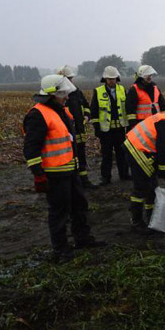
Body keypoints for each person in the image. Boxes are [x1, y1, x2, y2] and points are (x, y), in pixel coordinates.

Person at [23, 75, 104, 261]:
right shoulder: (37, 114)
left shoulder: (61, 111)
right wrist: (38, 175)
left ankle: (83, 239)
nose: (66, 97)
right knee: (59, 212)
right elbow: (31, 148)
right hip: (54, 175)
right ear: (51, 95)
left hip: (70, 170)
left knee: (79, 206)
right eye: (62, 94)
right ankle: (61, 250)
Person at [56, 65, 96, 189]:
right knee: (70, 158)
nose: (71, 81)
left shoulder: (77, 92)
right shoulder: (59, 95)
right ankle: (74, 183)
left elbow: (86, 106)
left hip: (79, 131)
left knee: (81, 155)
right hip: (67, 134)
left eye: (71, 78)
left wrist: (86, 116)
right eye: (68, 78)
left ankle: (84, 181)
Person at [90, 66, 130, 185]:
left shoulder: (122, 89)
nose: (112, 81)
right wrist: (97, 129)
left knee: (122, 153)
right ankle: (106, 178)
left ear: (117, 78)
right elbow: (94, 112)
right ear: (105, 79)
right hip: (105, 130)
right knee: (107, 155)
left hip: (120, 129)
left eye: (114, 78)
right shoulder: (98, 91)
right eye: (109, 79)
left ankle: (124, 174)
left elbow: (126, 108)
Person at [126, 65, 165, 130]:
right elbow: (130, 110)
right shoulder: (134, 90)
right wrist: (133, 126)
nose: (150, 77)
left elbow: (163, 106)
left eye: (150, 75)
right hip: (141, 125)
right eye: (147, 75)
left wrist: (164, 120)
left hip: (156, 123)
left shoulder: (155, 88)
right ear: (141, 76)